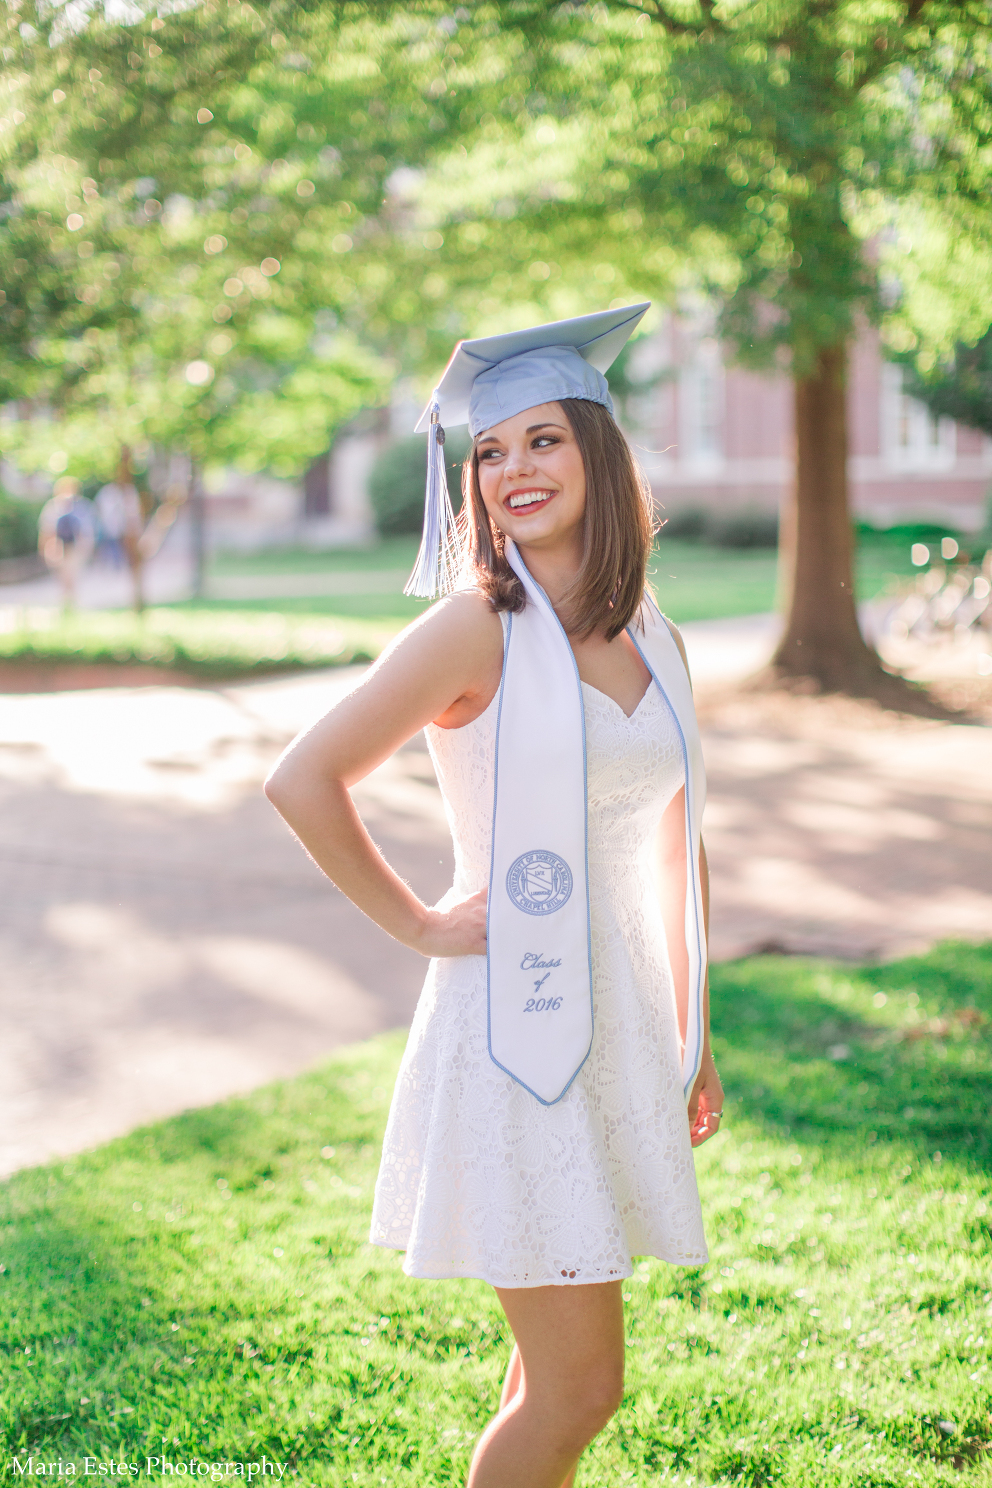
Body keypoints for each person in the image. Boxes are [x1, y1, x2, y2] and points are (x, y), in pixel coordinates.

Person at [265, 304, 724, 1488]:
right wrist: (420, 922)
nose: (512, 470)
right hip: (513, 1027)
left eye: (542, 442)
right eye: (489, 451)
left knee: (547, 1379)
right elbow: (301, 778)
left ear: (598, 454)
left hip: (616, 1023)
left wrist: (695, 1030)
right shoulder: (473, 630)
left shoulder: (652, 634)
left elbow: (680, 832)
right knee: (581, 1387)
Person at [37, 476, 95, 609]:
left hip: (74, 548)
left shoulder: (81, 506)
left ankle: (71, 603)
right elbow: (46, 530)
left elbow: (86, 531)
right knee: (63, 577)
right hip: (58, 547)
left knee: (72, 576)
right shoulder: (53, 507)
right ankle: (66, 603)